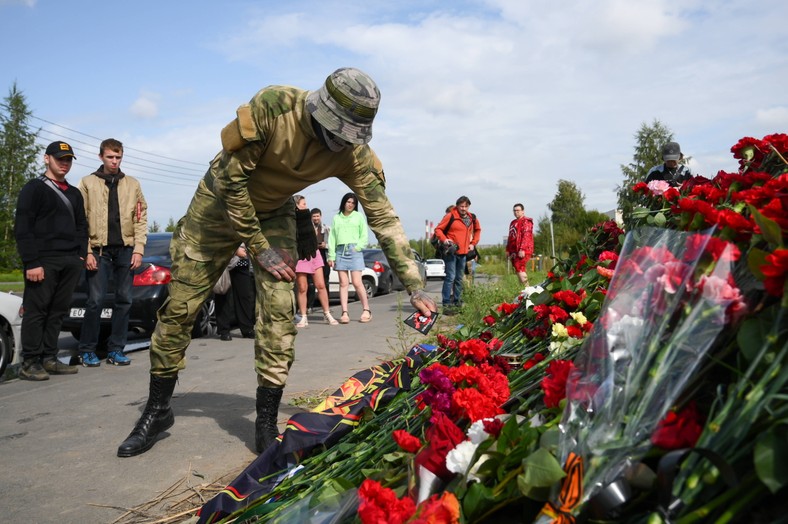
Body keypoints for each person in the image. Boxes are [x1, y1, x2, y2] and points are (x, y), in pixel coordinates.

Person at [116, 67, 436, 458]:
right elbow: (233, 184)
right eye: (336, 132)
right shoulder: (274, 106)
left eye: (348, 137)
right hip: (217, 207)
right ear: (321, 111)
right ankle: (157, 409)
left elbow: (383, 216)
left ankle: (266, 421)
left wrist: (414, 283)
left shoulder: (353, 154)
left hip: (273, 213)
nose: (339, 144)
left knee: (280, 311)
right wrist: (258, 247)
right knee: (181, 307)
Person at [14, 141, 87, 381]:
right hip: (42, 260)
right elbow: (23, 228)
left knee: (58, 311)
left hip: (69, 261)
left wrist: (80, 256)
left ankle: (49, 358)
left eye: (68, 160)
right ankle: (30, 362)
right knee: (37, 311)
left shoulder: (74, 193)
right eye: (60, 159)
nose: (64, 163)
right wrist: (32, 261)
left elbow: (81, 227)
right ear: (47, 159)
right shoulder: (34, 189)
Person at [77, 138, 148, 367]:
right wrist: (87, 251)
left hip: (126, 250)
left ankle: (116, 349)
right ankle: (87, 350)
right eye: (110, 157)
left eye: (118, 157)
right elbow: (80, 220)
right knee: (95, 301)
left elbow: (140, 217)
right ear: (101, 157)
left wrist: (139, 249)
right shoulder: (88, 183)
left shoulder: (132, 184)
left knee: (124, 300)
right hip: (98, 250)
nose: (114, 161)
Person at [327, 192, 371, 324]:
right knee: (343, 283)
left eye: (353, 203)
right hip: (340, 251)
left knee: (357, 282)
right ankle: (344, 312)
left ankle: (366, 310)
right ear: (344, 203)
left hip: (354, 250)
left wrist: (358, 247)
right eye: (348, 202)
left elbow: (364, 234)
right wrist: (331, 255)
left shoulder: (358, 216)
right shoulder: (337, 218)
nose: (350, 205)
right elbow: (332, 237)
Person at [294, 195, 337, 327]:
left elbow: (313, 234)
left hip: (313, 253)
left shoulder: (308, 217)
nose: (306, 206)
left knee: (321, 285)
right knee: (302, 288)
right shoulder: (291, 219)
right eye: (303, 204)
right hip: (300, 255)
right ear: (296, 205)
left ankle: (327, 313)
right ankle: (303, 316)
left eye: (305, 203)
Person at [434, 196, 481, 315]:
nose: (463, 208)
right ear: (457, 206)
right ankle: (446, 304)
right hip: (451, 252)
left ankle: (457, 303)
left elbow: (478, 230)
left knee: (459, 279)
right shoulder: (450, 216)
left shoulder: (471, 217)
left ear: (468, 206)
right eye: (461, 206)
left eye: (466, 206)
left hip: (464, 252)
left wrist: (473, 243)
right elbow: (438, 230)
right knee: (450, 277)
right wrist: (445, 240)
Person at [215, 244, 256, 341]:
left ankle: (247, 329)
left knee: (244, 296)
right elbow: (219, 239)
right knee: (223, 295)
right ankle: (224, 331)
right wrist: (235, 250)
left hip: (242, 262)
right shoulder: (221, 228)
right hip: (224, 262)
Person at [306, 207, 331, 311]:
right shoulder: (308, 229)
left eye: (317, 216)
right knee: (310, 283)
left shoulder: (326, 228)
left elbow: (331, 244)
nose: (316, 218)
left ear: (320, 216)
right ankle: (309, 306)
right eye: (314, 216)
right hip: (311, 256)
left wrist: (326, 245)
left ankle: (326, 306)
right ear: (311, 217)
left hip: (323, 256)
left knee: (325, 282)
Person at [506, 203, 534, 285]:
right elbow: (510, 237)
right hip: (514, 250)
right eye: (514, 211)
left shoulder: (526, 221)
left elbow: (527, 235)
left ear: (523, 211)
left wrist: (522, 249)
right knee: (517, 269)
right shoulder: (513, 222)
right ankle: (522, 290)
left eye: (518, 210)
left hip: (523, 249)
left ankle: (527, 289)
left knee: (520, 268)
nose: (516, 212)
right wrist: (508, 250)